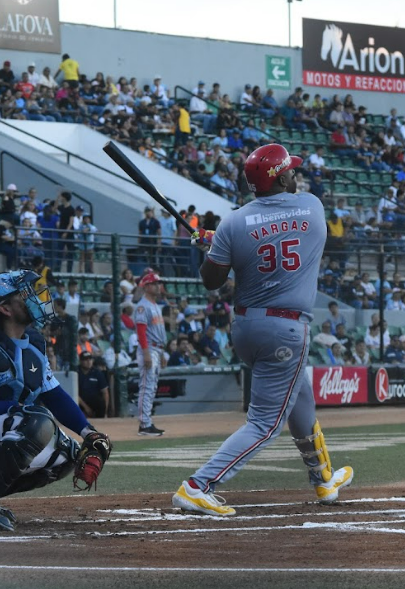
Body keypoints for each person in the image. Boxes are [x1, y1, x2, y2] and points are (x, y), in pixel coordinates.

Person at [176, 144, 353, 517]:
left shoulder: (234, 222)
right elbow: (278, 235)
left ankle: (323, 480)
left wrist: (211, 247)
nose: (295, 174)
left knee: (300, 400)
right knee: (264, 423)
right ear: (281, 177)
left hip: (246, 328)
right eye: (290, 170)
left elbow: (212, 280)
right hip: (286, 329)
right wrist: (220, 242)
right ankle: (198, 486)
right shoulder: (312, 206)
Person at [0, 270, 112, 531]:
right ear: (5, 308)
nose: (33, 297)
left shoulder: (32, 344)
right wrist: (17, 409)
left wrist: (89, 433)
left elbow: (53, 394)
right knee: (35, 420)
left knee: (68, 455)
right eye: (24, 294)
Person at [135, 271, 167, 436]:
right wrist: (147, 353)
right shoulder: (143, 305)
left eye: (158, 283)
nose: (158, 286)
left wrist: (161, 354)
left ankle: (147, 422)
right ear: (146, 286)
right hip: (148, 349)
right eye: (154, 283)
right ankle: (144, 424)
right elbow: (141, 331)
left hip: (157, 349)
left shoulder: (155, 305)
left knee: (152, 387)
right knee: (146, 387)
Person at [78, 351, 110, 418]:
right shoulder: (76, 373)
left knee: (100, 402)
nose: (89, 361)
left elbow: (105, 392)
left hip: (94, 401)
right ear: (81, 361)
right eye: (86, 360)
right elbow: (74, 393)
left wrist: (105, 412)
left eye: (90, 359)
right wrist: (86, 408)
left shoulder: (97, 373)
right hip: (80, 401)